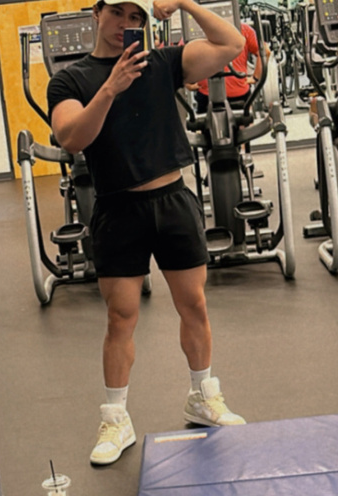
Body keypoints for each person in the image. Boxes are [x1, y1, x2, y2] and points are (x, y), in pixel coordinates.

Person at [47, 0, 246, 466]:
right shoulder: (71, 80)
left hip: (173, 200)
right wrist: (111, 87)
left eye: (135, 17)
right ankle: (116, 419)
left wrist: (184, 2)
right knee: (121, 317)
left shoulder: (162, 63)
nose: (125, 24)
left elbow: (232, 43)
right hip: (118, 209)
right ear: (97, 14)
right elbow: (71, 138)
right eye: (117, 13)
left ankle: (202, 396)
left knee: (193, 304)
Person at [186, 22, 271, 113]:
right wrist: (255, 78)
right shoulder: (244, 29)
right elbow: (265, 51)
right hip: (239, 93)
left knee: (202, 119)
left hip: (207, 95)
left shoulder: (198, 29)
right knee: (245, 119)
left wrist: (187, 83)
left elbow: (181, 56)